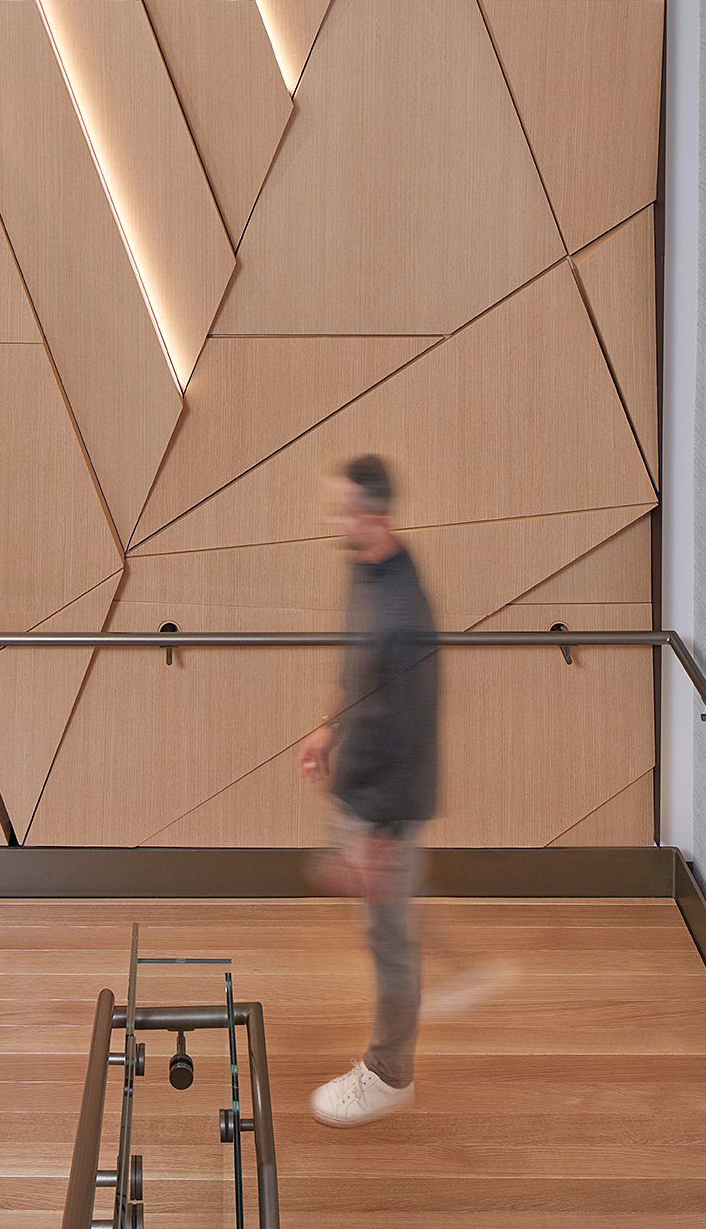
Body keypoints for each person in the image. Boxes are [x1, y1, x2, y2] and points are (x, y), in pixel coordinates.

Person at [298, 453, 439, 1128]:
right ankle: (432, 941)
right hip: (360, 787)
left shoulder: (406, 615)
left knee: (390, 943)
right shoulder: (366, 567)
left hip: (388, 803)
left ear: (374, 516)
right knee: (384, 924)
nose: (333, 519)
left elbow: (412, 738)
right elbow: (356, 665)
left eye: (343, 509)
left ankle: (390, 1076)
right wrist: (326, 727)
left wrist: (379, 843)